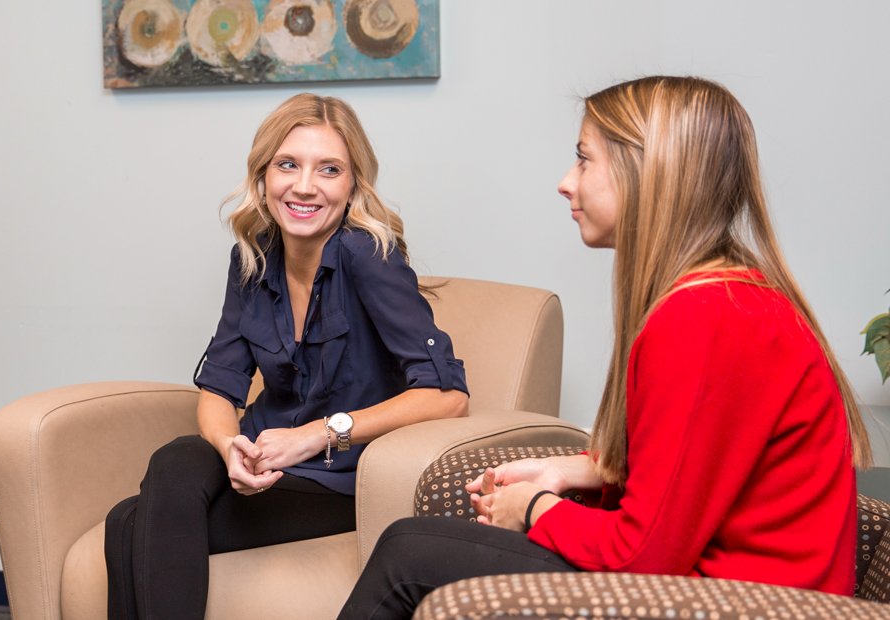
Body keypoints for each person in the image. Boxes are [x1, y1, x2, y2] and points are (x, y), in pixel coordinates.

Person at [337, 75, 871, 619]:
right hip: (719, 585)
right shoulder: (730, 296)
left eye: (584, 160)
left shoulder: (703, 316)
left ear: (648, 174)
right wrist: (577, 471)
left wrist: (535, 508)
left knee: (410, 554)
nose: (566, 183)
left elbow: (644, 553)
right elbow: (690, 470)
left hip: (745, 605)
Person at [103, 93, 470, 619]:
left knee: (127, 523)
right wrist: (231, 448)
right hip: (265, 459)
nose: (304, 186)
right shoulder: (252, 258)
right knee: (178, 457)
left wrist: (316, 433)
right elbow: (219, 388)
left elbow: (448, 397)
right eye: (288, 165)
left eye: (329, 169)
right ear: (263, 175)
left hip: (340, 474)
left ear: (352, 185)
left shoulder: (369, 256)